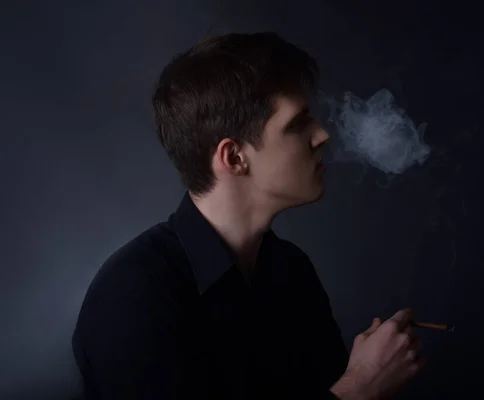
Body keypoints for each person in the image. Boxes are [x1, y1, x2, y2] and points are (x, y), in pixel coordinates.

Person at [71, 32, 425, 400]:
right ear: (234, 158)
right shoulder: (132, 298)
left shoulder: (291, 271)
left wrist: (363, 372)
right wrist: (360, 387)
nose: (321, 135)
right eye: (297, 124)